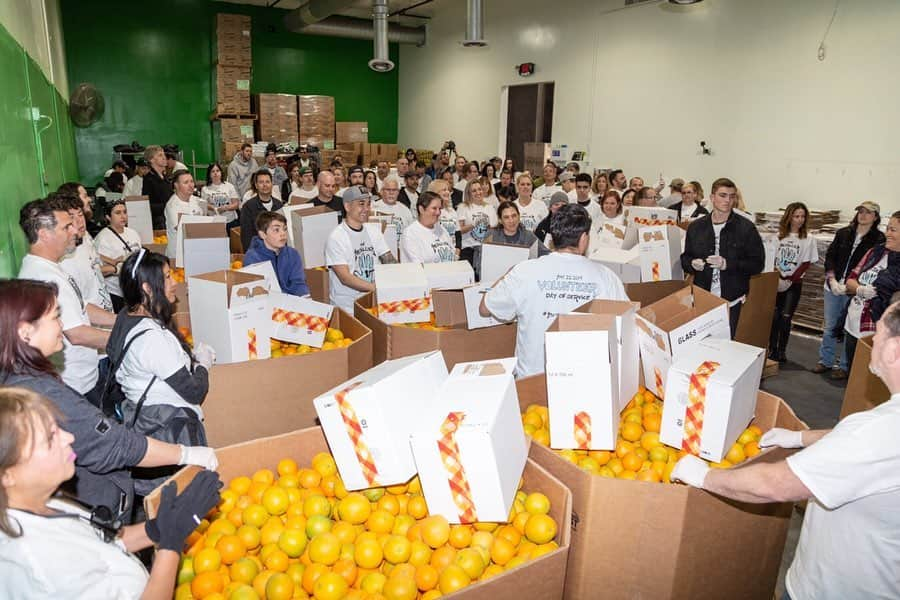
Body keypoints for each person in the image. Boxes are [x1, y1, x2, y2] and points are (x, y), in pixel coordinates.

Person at [671, 299, 900, 600]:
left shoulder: (879, 431)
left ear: (894, 351)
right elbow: (858, 445)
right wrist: (799, 439)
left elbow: (774, 485)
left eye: (878, 333)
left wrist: (703, 476)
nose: (872, 339)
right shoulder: (882, 428)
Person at [0, 279, 217, 521]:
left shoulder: (16, 377)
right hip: (97, 510)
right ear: (25, 331)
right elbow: (114, 444)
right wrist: (186, 454)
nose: (62, 326)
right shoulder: (40, 393)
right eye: (54, 317)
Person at [0, 386, 222, 597]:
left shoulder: (47, 502)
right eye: (49, 439)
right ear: (7, 475)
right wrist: (171, 544)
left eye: (58, 430)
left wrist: (157, 528)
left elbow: (99, 547)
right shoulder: (38, 565)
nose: (69, 438)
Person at [109, 250, 216, 496]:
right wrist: (202, 364)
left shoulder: (127, 316)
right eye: (167, 277)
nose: (174, 282)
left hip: (147, 419)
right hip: (167, 427)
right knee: (181, 499)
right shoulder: (151, 339)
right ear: (147, 287)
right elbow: (193, 391)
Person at [480, 204, 628, 377]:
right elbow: (626, 329)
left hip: (532, 383)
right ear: (583, 239)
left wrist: (507, 274)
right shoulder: (606, 277)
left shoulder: (524, 271)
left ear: (553, 237)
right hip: (586, 379)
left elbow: (484, 308)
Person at [18, 200, 110, 400]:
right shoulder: (42, 277)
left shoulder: (54, 267)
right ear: (44, 233)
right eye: (66, 227)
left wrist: (120, 320)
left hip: (85, 375)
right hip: (73, 386)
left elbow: (81, 306)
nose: (75, 231)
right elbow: (76, 334)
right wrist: (129, 337)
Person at [681, 177, 765, 337]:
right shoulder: (697, 227)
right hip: (702, 297)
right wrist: (692, 264)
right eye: (723, 195)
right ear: (712, 198)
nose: (728, 200)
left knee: (723, 348)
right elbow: (685, 259)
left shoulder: (745, 228)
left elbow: (757, 264)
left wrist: (727, 264)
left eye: (732, 196)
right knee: (700, 344)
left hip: (731, 299)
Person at [815, 202, 884, 378]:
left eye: (868, 212)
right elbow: (830, 256)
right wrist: (831, 279)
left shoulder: (878, 240)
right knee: (830, 325)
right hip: (833, 286)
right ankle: (826, 360)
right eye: (861, 211)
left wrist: (853, 286)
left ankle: (844, 366)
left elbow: (872, 266)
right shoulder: (843, 233)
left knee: (849, 327)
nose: (863, 215)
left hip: (854, 290)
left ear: (875, 217)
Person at [841, 211, 900, 371]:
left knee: (871, 379)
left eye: (893, 230)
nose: (887, 233)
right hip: (854, 322)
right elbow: (850, 279)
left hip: (877, 331)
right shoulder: (875, 252)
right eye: (888, 228)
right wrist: (859, 289)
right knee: (854, 375)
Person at [324, 186, 397, 313]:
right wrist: (376, 288)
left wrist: (399, 277)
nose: (366, 209)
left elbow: (388, 259)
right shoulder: (336, 237)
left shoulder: (373, 231)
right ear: (347, 206)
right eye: (361, 204)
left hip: (373, 301)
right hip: (348, 307)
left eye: (368, 204)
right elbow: (345, 278)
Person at [768, 203, 819, 363]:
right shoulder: (778, 237)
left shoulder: (808, 239)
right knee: (774, 317)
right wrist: (778, 277)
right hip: (777, 282)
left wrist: (790, 280)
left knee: (786, 317)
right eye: (796, 216)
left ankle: (782, 350)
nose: (799, 220)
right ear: (789, 217)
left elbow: (806, 263)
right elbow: (772, 259)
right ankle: (772, 349)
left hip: (794, 284)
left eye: (802, 216)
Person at [53, 194, 115, 318]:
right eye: (71, 217)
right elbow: (80, 307)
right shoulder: (64, 259)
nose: (79, 221)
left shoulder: (84, 238)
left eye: (80, 214)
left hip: (105, 314)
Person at [474, 201, 549, 280]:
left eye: (514, 216)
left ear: (519, 216)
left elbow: (547, 255)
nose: (511, 221)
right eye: (506, 217)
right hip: (496, 282)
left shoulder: (528, 236)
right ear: (500, 220)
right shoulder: (490, 236)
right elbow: (480, 263)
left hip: (522, 281)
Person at [244, 211, 310, 296]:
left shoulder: (292, 254)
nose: (283, 234)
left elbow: (298, 283)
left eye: (285, 229)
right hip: (267, 302)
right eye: (276, 230)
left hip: (291, 301)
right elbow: (261, 291)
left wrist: (305, 298)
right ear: (263, 234)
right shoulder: (253, 257)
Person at [93, 199, 142, 312]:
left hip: (135, 289)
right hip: (116, 293)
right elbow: (98, 272)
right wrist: (118, 267)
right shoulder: (102, 239)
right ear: (108, 217)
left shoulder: (133, 233)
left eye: (125, 212)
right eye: (118, 213)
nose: (123, 216)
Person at [400, 192, 457, 264]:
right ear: (421, 209)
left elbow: (452, 255)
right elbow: (418, 264)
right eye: (434, 208)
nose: (438, 212)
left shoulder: (442, 229)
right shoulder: (410, 233)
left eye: (439, 209)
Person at [163, 170, 204, 260]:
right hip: (178, 255)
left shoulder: (195, 200)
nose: (191, 185)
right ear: (176, 185)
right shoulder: (173, 205)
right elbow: (182, 229)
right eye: (186, 182)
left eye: (192, 181)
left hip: (196, 251)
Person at [457, 179, 497, 269]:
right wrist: (474, 224)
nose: (478, 192)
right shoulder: (463, 207)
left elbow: (493, 230)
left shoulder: (489, 207)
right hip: (468, 250)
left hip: (484, 250)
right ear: (469, 193)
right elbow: (459, 230)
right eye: (474, 191)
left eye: (479, 189)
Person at [239, 171, 283, 252]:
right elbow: (246, 236)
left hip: (278, 251)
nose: (265, 185)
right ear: (256, 185)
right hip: (258, 252)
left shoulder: (279, 205)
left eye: (267, 182)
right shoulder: (248, 207)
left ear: (272, 184)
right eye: (261, 182)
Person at [140, 145, 172, 230]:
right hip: (158, 224)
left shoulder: (166, 178)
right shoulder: (148, 179)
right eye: (160, 155)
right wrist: (167, 206)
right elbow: (147, 205)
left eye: (164, 155)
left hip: (169, 218)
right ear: (151, 160)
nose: (164, 157)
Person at [200, 162, 239, 231]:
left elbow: (236, 204)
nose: (215, 173)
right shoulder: (205, 189)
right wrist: (215, 209)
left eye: (217, 171)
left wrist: (225, 208)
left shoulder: (229, 186)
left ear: (221, 172)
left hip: (230, 221)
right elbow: (204, 205)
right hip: (214, 221)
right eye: (213, 171)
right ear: (209, 174)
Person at [429, 180, 461, 250]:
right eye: (444, 190)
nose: (447, 192)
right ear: (435, 192)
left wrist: (457, 251)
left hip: (452, 251)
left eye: (448, 190)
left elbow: (458, 234)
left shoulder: (452, 211)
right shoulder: (430, 212)